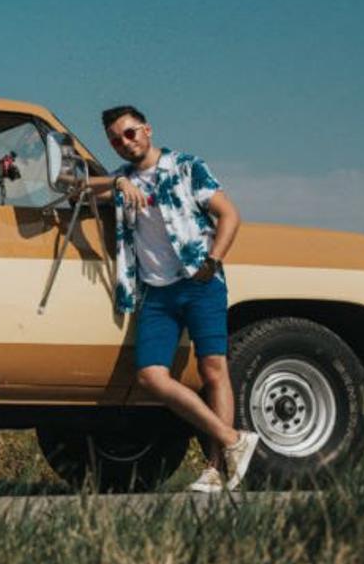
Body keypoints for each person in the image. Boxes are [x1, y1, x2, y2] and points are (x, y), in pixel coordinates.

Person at [87, 105, 259, 492]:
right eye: (115, 140)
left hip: (199, 281)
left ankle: (216, 468)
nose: (124, 143)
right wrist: (117, 183)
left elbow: (229, 215)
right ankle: (233, 439)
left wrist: (213, 261)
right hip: (155, 291)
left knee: (213, 371)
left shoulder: (186, 167)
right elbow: (73, 187)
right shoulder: (121, 179)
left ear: (147, 129)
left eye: (130, 133)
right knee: (150, 376)